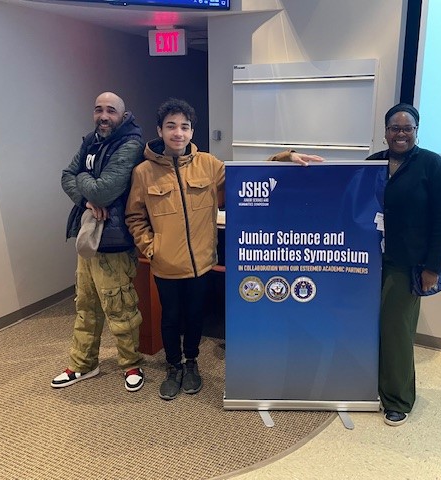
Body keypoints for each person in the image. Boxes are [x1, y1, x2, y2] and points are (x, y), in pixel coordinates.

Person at [125, 98, 322, 400]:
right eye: (171, 127)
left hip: (201, 262)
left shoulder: (209, 165)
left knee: (194, 316)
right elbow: (135, 216)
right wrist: (152, 248)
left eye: (185, 127)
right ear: (160, 130)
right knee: (171, 317)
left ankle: (192, 364)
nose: (178, 133)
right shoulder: (144, 172)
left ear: (192, 132)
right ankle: (173, 367)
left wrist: (288, 157)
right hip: (165, 263)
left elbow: (251, 175)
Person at [367, 103, 441, 426]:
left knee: (396, 330)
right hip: (368, 261)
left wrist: (433, 267)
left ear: (416, 132)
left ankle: (399, 399)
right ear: (386, 132)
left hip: (407, 264)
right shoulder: (373, 164)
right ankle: (372, 386)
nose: (400, 134)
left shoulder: (433, 166)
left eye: (407, 128)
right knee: (368, 326)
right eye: (395, 128)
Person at [52, 92, 146, 392]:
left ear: (123, 114)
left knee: (120, 307)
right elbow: (67, 174)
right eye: (98, 110)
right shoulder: (90, 140)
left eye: (111, 111)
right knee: (85, 304)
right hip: (88, 237)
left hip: (114, 241)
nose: (104, 116)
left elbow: (104, 191)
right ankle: (83, 364)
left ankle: (131, 364)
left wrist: (87, 186)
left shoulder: (130, 144)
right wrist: (85, 198)